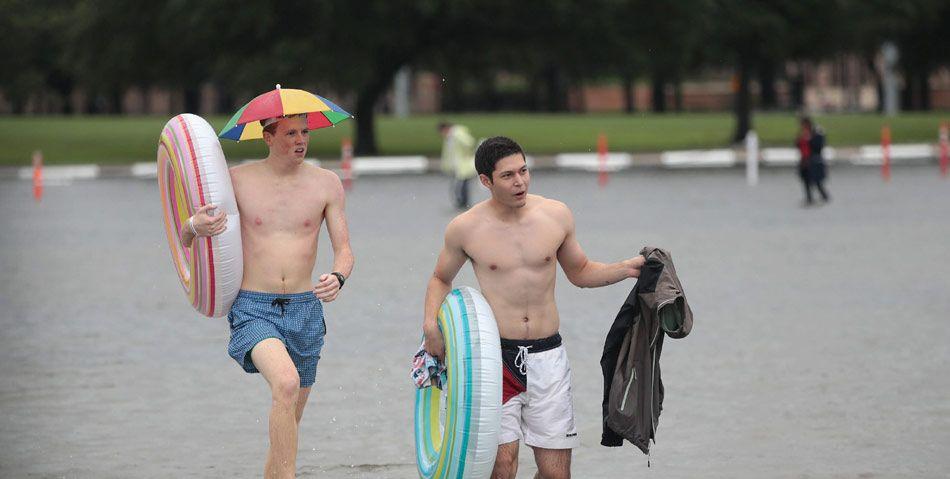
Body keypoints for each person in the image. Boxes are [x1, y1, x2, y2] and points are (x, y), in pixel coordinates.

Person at [421, 136, 645, 479]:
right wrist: (431, 327)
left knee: (556, 474)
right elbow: (440, 278)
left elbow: (581, 273)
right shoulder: (465, 228)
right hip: (493, 360)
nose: (520, 181)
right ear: (485, 181)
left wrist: (628, 268)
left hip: (548, 357)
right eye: (508, 175)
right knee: (502, 465)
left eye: (524, 171)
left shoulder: (555, 215)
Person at [181, 113, 354, 478]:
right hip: (253, 307)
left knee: (289, 419)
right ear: (268, 136)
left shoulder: (327, 184)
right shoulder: (237, 181)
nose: (301, 140)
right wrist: (195, 226)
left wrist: (338, 277)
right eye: (291, 132)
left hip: (306, 308)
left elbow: (345, 250)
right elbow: (184, 236)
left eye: (305, 132)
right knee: (286, 383)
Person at [438, 121, 477, 209]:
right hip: (457, 166)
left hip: (463, 165)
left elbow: (470, 143)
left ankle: (463, 203)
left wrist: (467, 154)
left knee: (461, 186)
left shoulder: (457, 134)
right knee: (459, 186)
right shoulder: (450, 137)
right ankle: (462, 203)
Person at [796, 117, 831, 206]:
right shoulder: (802, 134)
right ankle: (809, 198)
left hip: (814, 161)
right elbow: (798, 145)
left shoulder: (816, 133)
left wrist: (810, 139)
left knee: (817, 182)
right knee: (806, 182)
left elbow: (819, 146)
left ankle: (824, 197)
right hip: (804, 162)